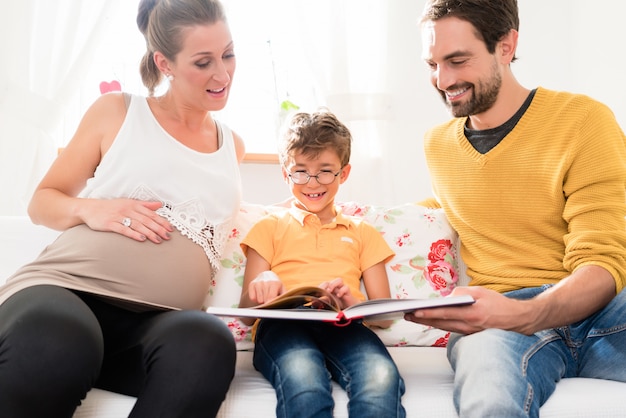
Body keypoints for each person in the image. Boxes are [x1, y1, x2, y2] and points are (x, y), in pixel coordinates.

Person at [0, 0, 245, 416]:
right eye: (203, 62)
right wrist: (90, 210)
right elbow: (43, 201)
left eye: (228, 54)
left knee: (208, 341)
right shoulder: (117, 111)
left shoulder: (232, 145)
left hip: (155, 325)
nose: (222, 74)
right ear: (164, 63)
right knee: (63, 340)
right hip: (67, 292)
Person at [403, 0, 626, 417]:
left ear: (506, 46)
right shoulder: (438, 144)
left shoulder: (583, 121)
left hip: (602, 313)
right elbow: (459, 205)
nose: (442, 79)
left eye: (457, 60)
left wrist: (524, 314)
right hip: (497, 322)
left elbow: (604, 264)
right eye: (432, 64)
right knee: (491, 400)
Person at [237, 110, 406, 418]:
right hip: (283, 326)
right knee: (305, 383)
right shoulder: (268, 227)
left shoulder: (362, 232)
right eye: (300, 171)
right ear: (285, 173)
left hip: (344, 324)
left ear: (344, 173)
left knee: (380, 380)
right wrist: (261, 287)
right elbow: (247, 315)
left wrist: (352, 302)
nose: (312, 182)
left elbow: (383, 316)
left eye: (325, 171)